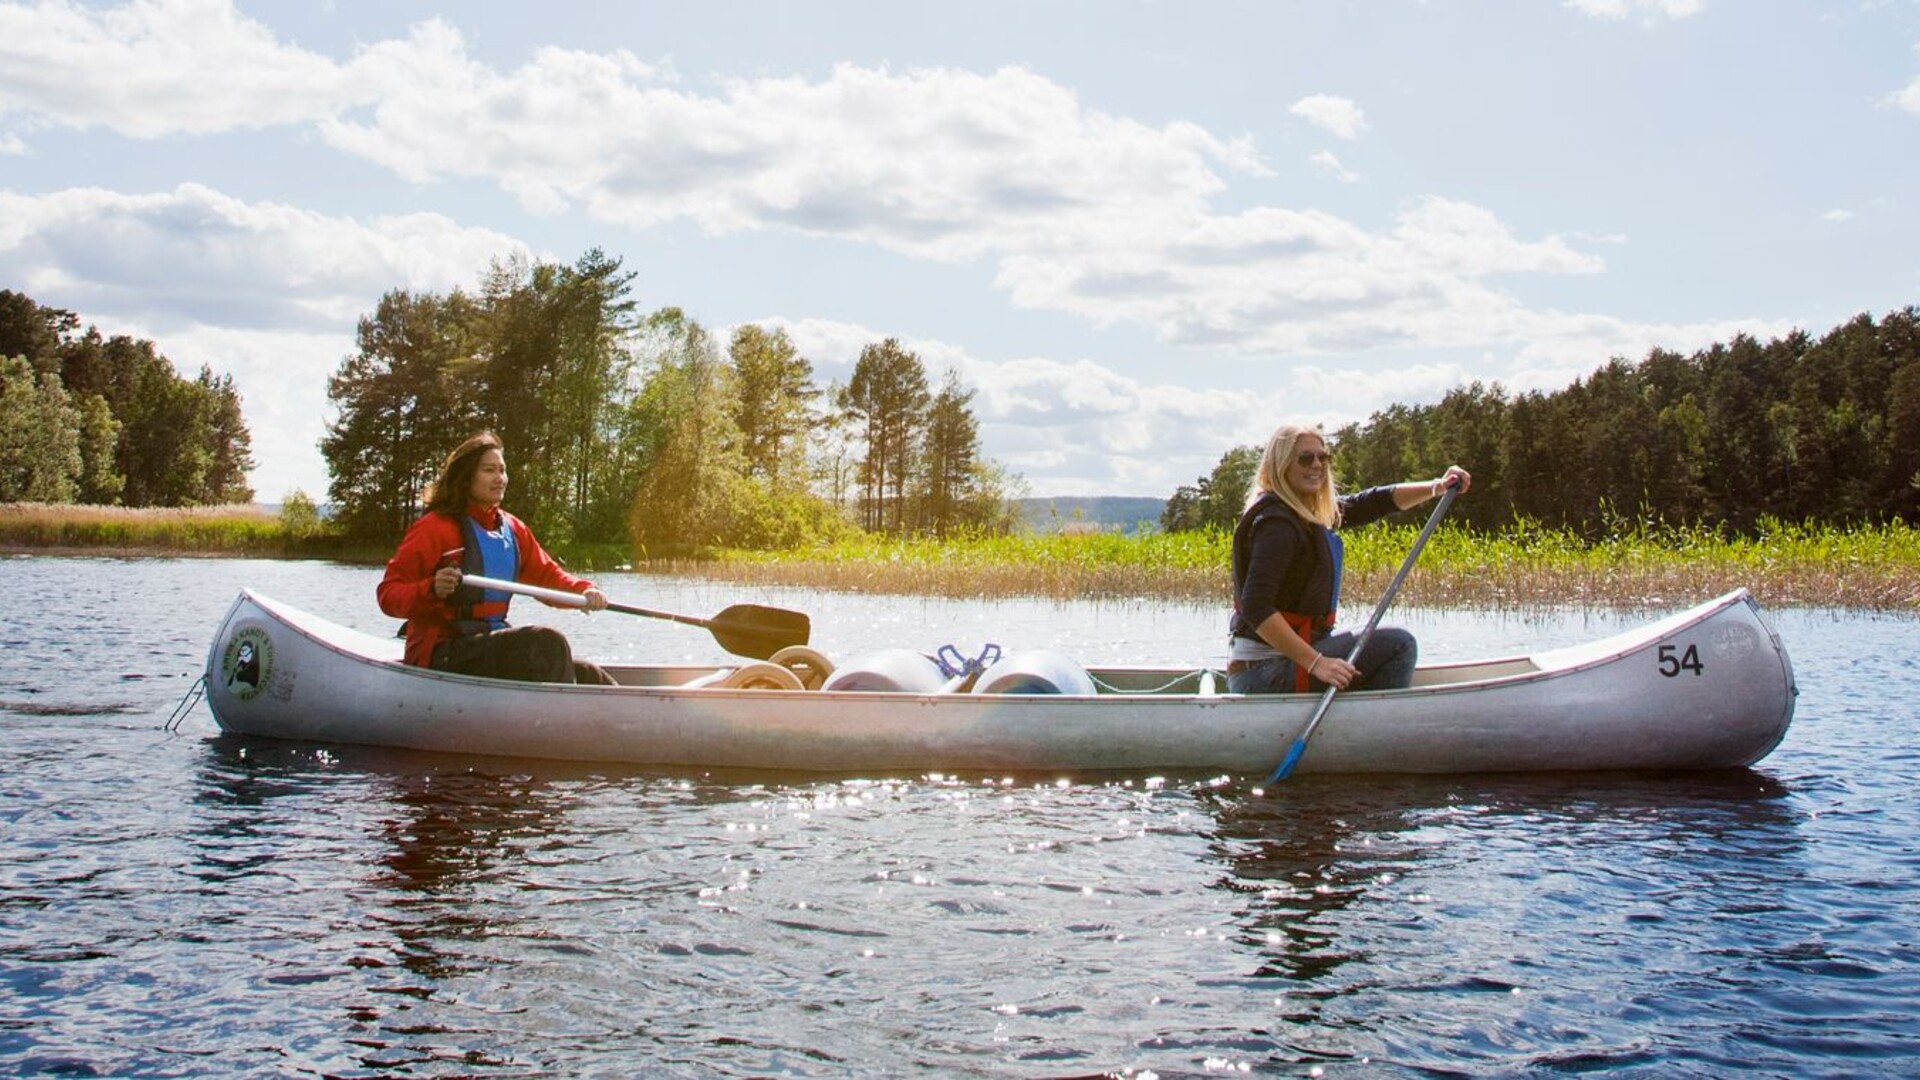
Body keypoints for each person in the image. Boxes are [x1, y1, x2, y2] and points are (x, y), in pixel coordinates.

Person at [1227, 423, 1471, 696]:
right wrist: (1317, 663)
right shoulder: (1277, 525)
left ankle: (1358, 719)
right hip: (1262, 674)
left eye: (1323, 457)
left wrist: (1437, 487)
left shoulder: (1304, 513)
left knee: (1382, 648)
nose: (1317, 464)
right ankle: (1375, 729)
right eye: (1306, 458)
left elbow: (1372, 502)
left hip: (1282, 665)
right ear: (1281, 465)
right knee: (1399, 644)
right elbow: (1256, 606)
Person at [378, 432, 616, 685]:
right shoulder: (434, 528)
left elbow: (547, 576)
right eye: (489, 470)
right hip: (441, 652)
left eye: (502, 470)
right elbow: (388, 595)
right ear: (466, 477)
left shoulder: (513, 529)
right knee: (546, 644)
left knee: (588, 673)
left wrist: (585, 591)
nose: (499, 479)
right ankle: (560, 720)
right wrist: (431, 588)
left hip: (487, 644)